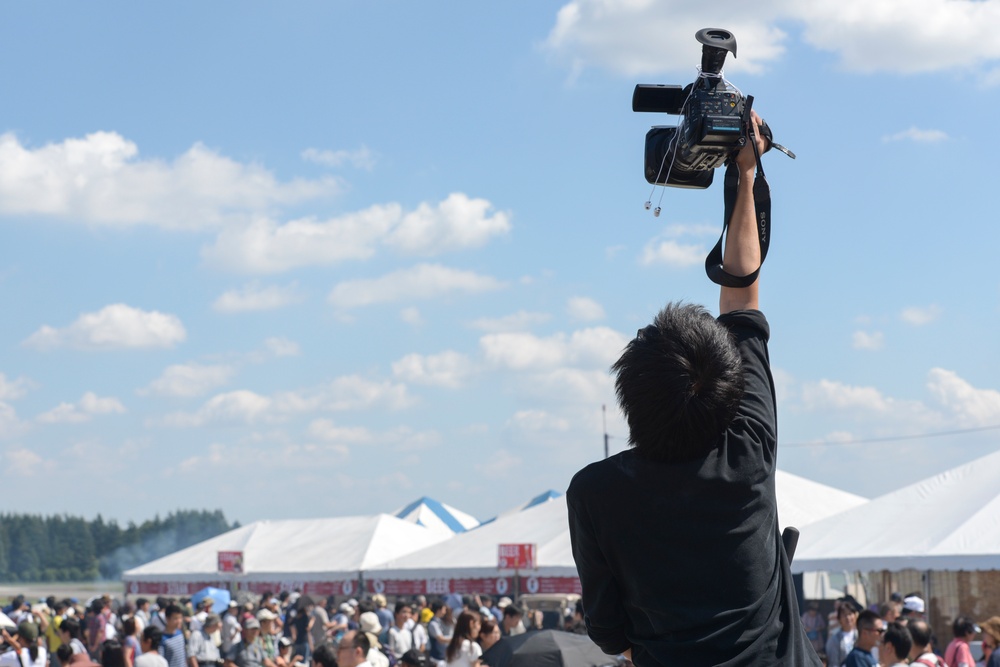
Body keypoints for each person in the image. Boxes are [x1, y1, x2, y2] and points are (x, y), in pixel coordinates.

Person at [567, 110, 818, 666]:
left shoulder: (596, 493)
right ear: (729, 395)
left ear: (631, 398)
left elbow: (611, 633)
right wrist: (745, 175)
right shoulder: (747, 451)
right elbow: (742, 301)